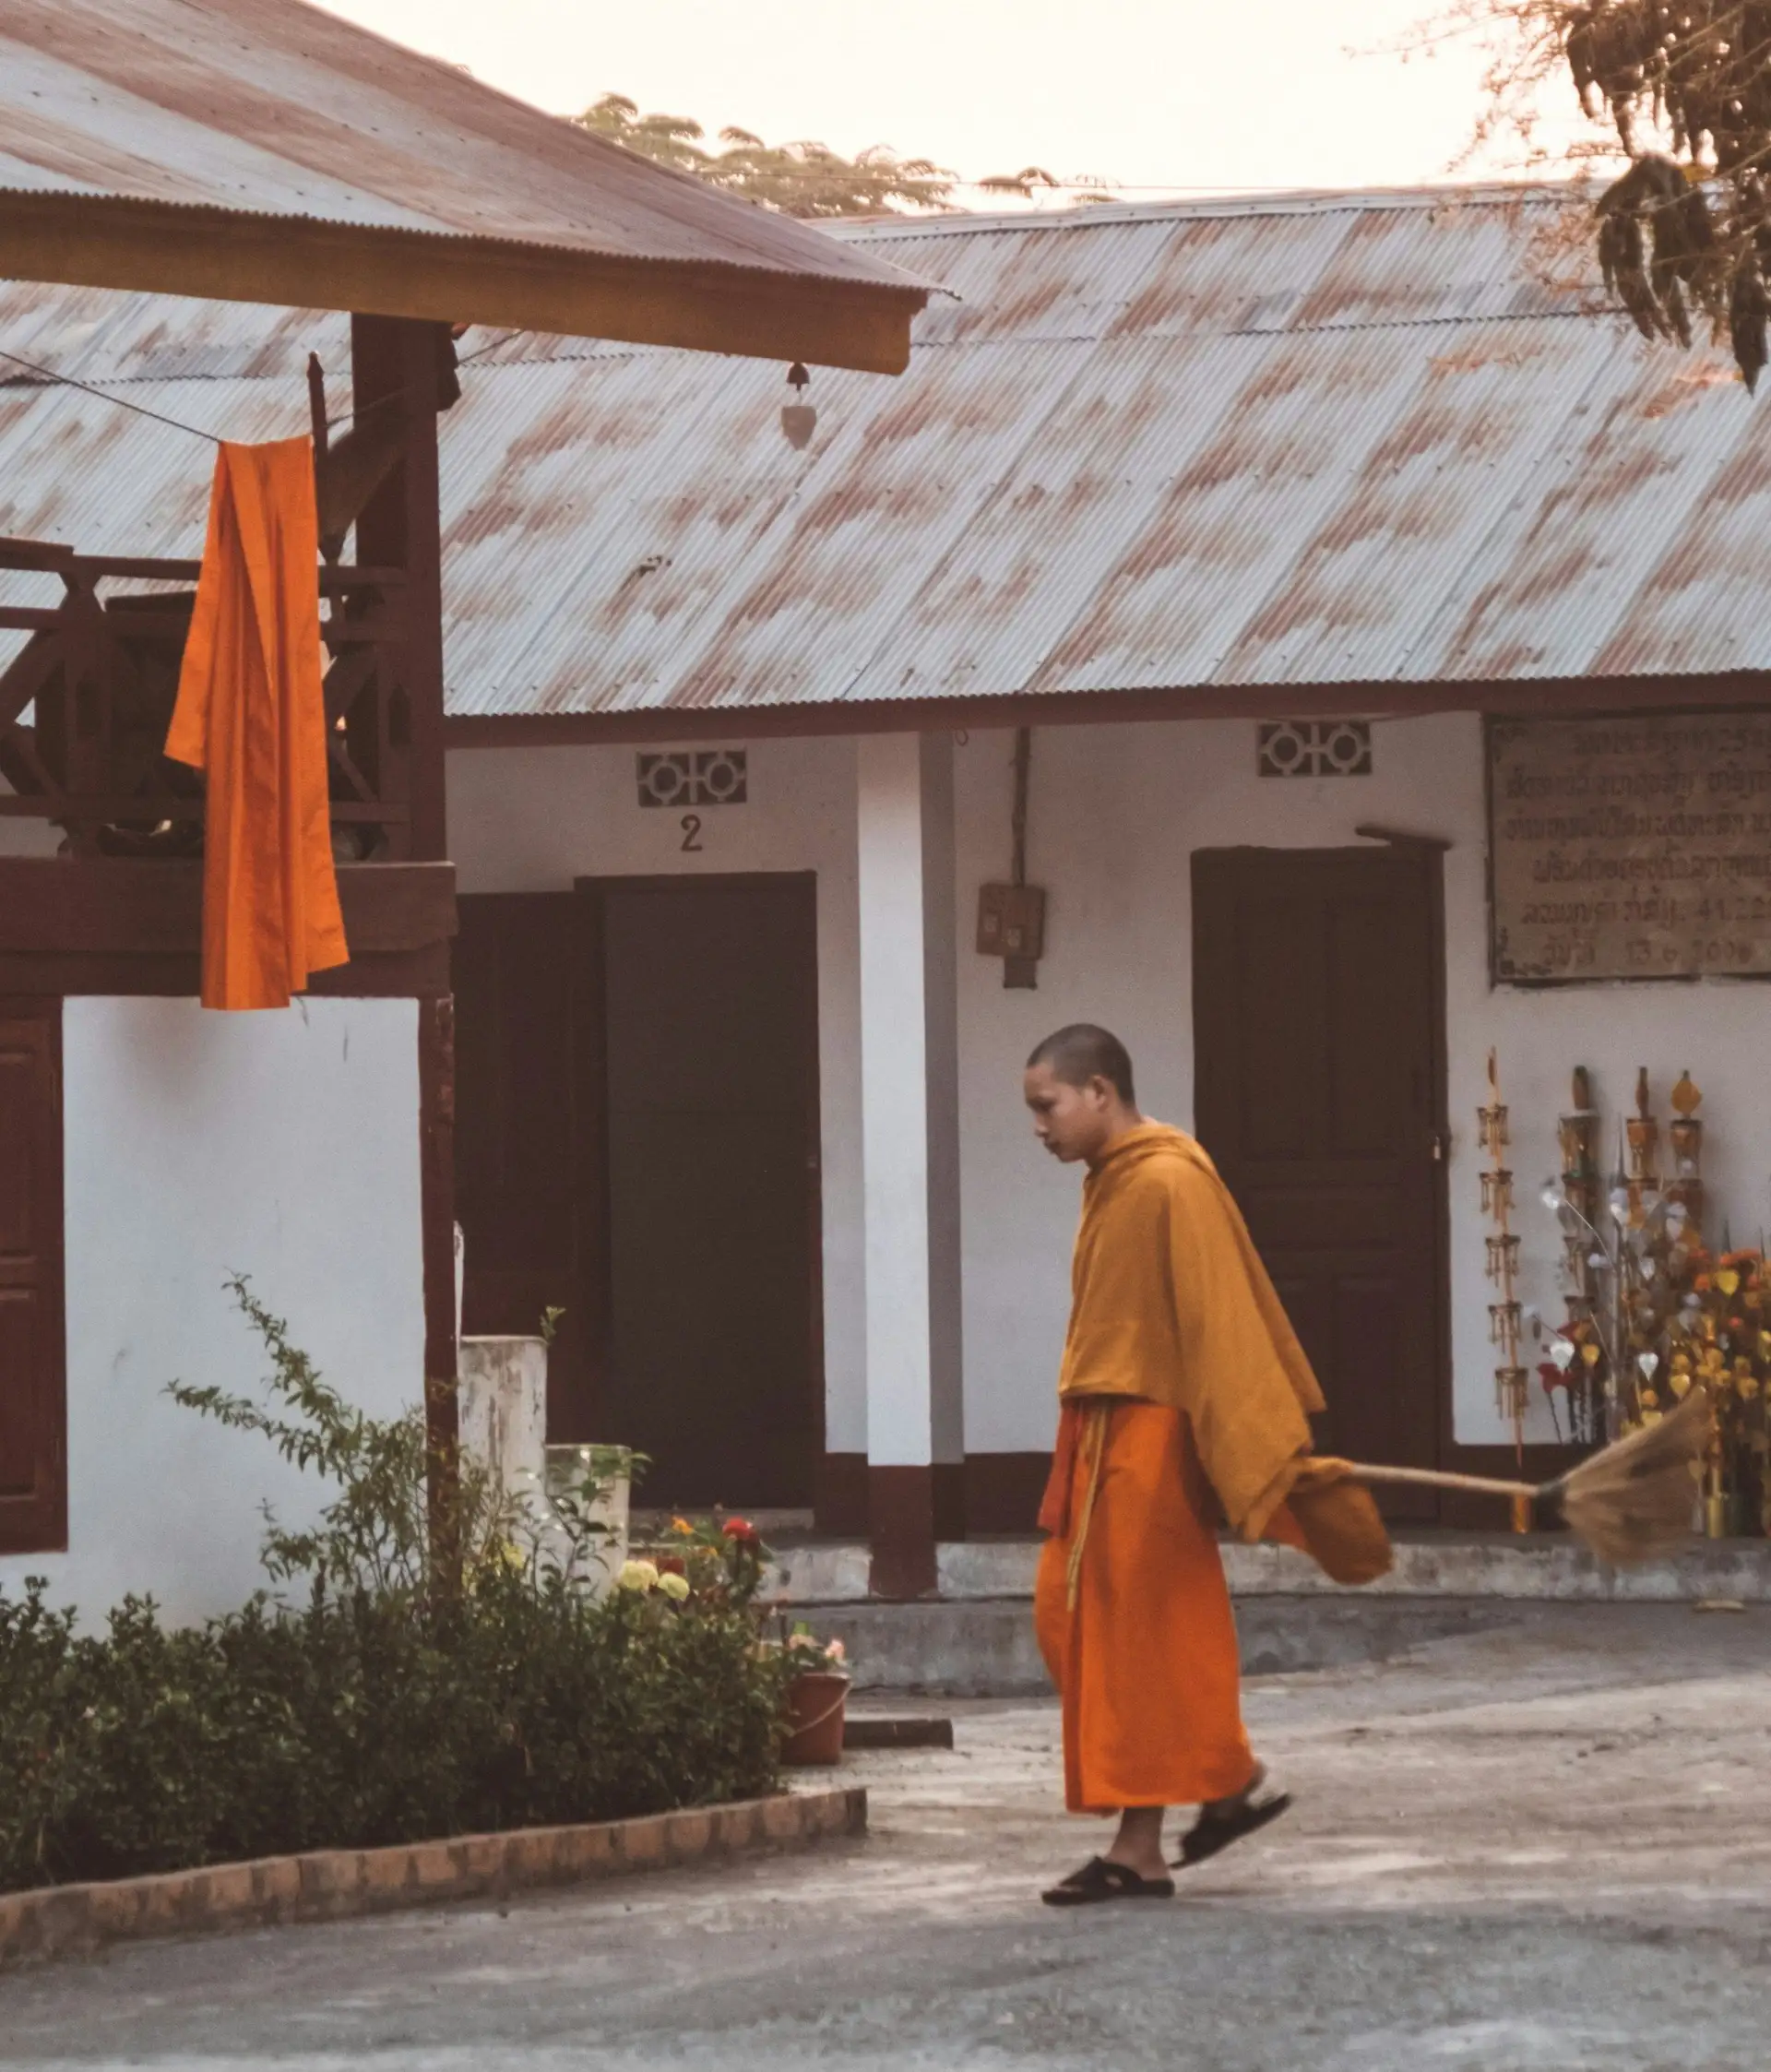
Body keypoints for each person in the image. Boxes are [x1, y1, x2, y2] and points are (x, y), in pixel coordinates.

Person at [1024, 1023, 1390, 1907]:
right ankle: (1224, 1778)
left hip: (1149, 1438)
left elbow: (1221, 1321)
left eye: (1047, 1105)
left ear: (1100, 1092)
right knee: (1081, 1622)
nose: (1039, 1126)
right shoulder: (1116, 1178)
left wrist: (1255, 1442)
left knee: (1140, 1634)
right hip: (1102, 1431)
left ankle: (1140, 1848)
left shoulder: (1169, 1181)